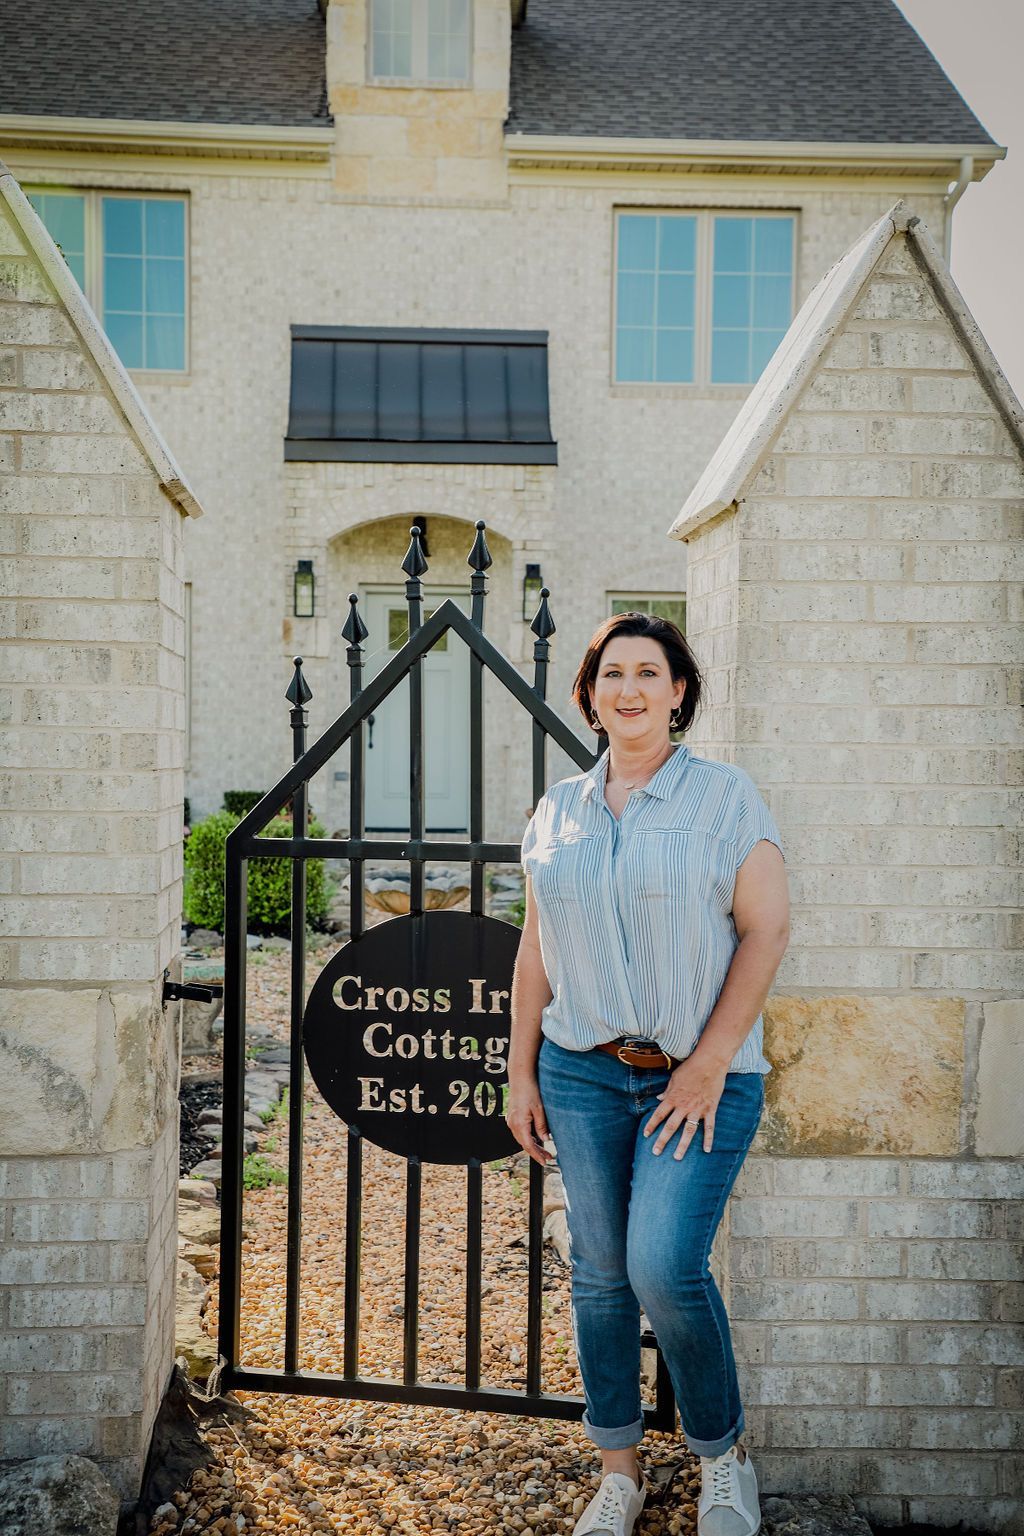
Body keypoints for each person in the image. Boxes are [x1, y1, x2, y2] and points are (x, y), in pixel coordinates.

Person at [507, 611, 789, 1536]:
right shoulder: (557, 812)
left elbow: (767, 928)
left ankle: (721, 1457)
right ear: (587, 695)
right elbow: (537, 946)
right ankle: (619, 1472)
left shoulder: (725, 799)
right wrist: (520, 1070)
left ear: (678, 692)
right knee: (597, 1272)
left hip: (698, 1077)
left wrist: (708, 1065)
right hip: (582, 1072)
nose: (629, 689)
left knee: (663, 1266)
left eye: (649, 672)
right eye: (611, 674)